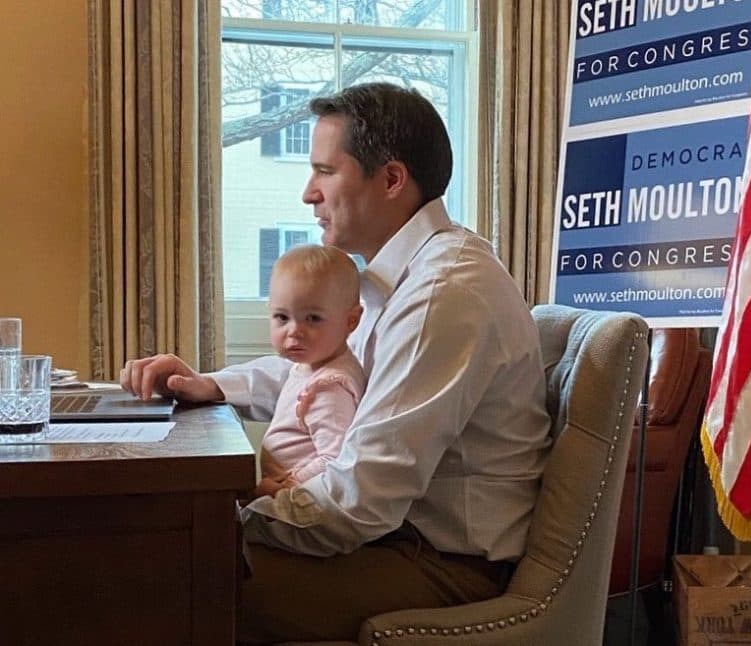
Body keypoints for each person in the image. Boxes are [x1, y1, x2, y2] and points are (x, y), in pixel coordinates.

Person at [118, 82, 552, 642]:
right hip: (393, 537)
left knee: (156, 579)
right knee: (151, 558)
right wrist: (211, 386)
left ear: (392, 180)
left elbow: (357, 504)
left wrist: (235, 515)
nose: (307, 193)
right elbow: (329, 373)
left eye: (324, 172)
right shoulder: (394, 278)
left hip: (439, 563)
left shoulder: (442, 295)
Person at [252, 244, 365, 500]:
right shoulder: (312, 364)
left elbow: (335, 458)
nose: (294, 331)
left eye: (312, 318)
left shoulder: (328, 387)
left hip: (301, 499)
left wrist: (289, 486)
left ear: (351, 321)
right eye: (282, 317)